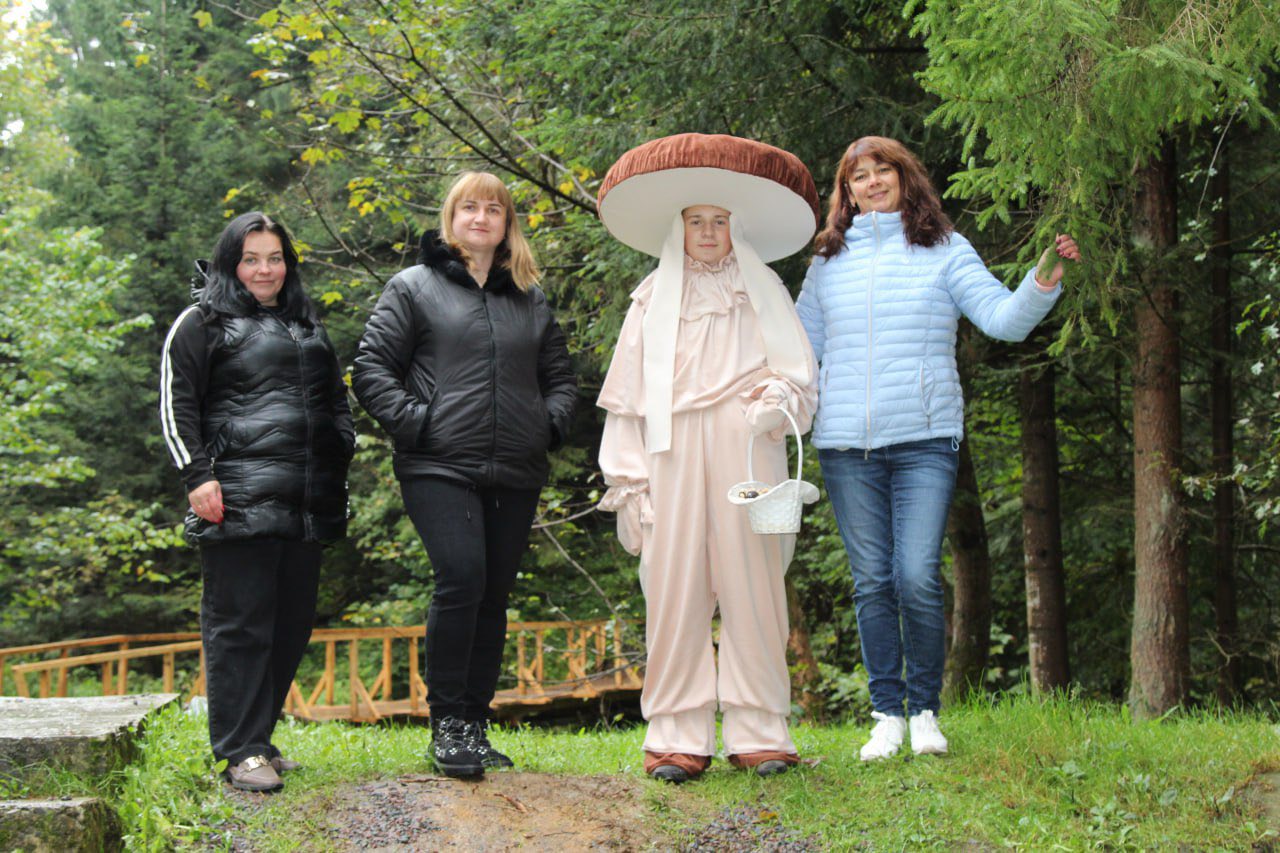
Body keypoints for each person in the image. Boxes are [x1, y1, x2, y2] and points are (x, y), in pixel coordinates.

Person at [795, 135, 1081, 760]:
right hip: (844, 445)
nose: (872, 182)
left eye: (883, 170)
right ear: (846, 192)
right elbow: (799, 351)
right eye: (858, 176)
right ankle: (886, 717)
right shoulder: (827, 261)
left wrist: (1041, 283)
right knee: (872, 581)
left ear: (905, 177)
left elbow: (1003, 320)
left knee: (917, 575)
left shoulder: (945, 248)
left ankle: (924, 712)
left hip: (925, 439)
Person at [596, 133, 820, 783]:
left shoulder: (765, 289)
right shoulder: (650, 297)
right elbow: (626, 398)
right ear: (679, 228)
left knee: (754, 586)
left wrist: (777, 400)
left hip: (747, 445)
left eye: (719, 221)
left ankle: (760, 727)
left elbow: (798, 377)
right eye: (696, 221)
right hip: (669, 448)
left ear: (735, 228)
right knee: (673, 588)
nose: (707, 232)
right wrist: (629, 480)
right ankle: (676, 731)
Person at [352, 171, 576, 779]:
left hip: (516, 467)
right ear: (451, 218)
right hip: (439, 464)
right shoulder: (413, 287)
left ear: (507, 224)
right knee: (461, 578)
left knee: (493, 595)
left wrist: (546, 426)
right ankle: (448, 724)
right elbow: (371, 369)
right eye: (469, 207)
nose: (481, 218)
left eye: (494, 209)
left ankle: (474, 725)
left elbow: (560, 377)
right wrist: (418, 423)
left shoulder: (528, 297)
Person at [159, 212, 354, 792]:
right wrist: (196, 476)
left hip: (306, 503)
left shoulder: (305, 324)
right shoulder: (201, 321)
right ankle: (240, 752)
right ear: (230, 263)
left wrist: (342, 444)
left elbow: (335, 399)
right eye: (251, 259)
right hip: (235, 497)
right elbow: (176, 403)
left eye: (274, 258)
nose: (264, 270)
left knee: (289, 626)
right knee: (239, 626)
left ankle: (260, 739)